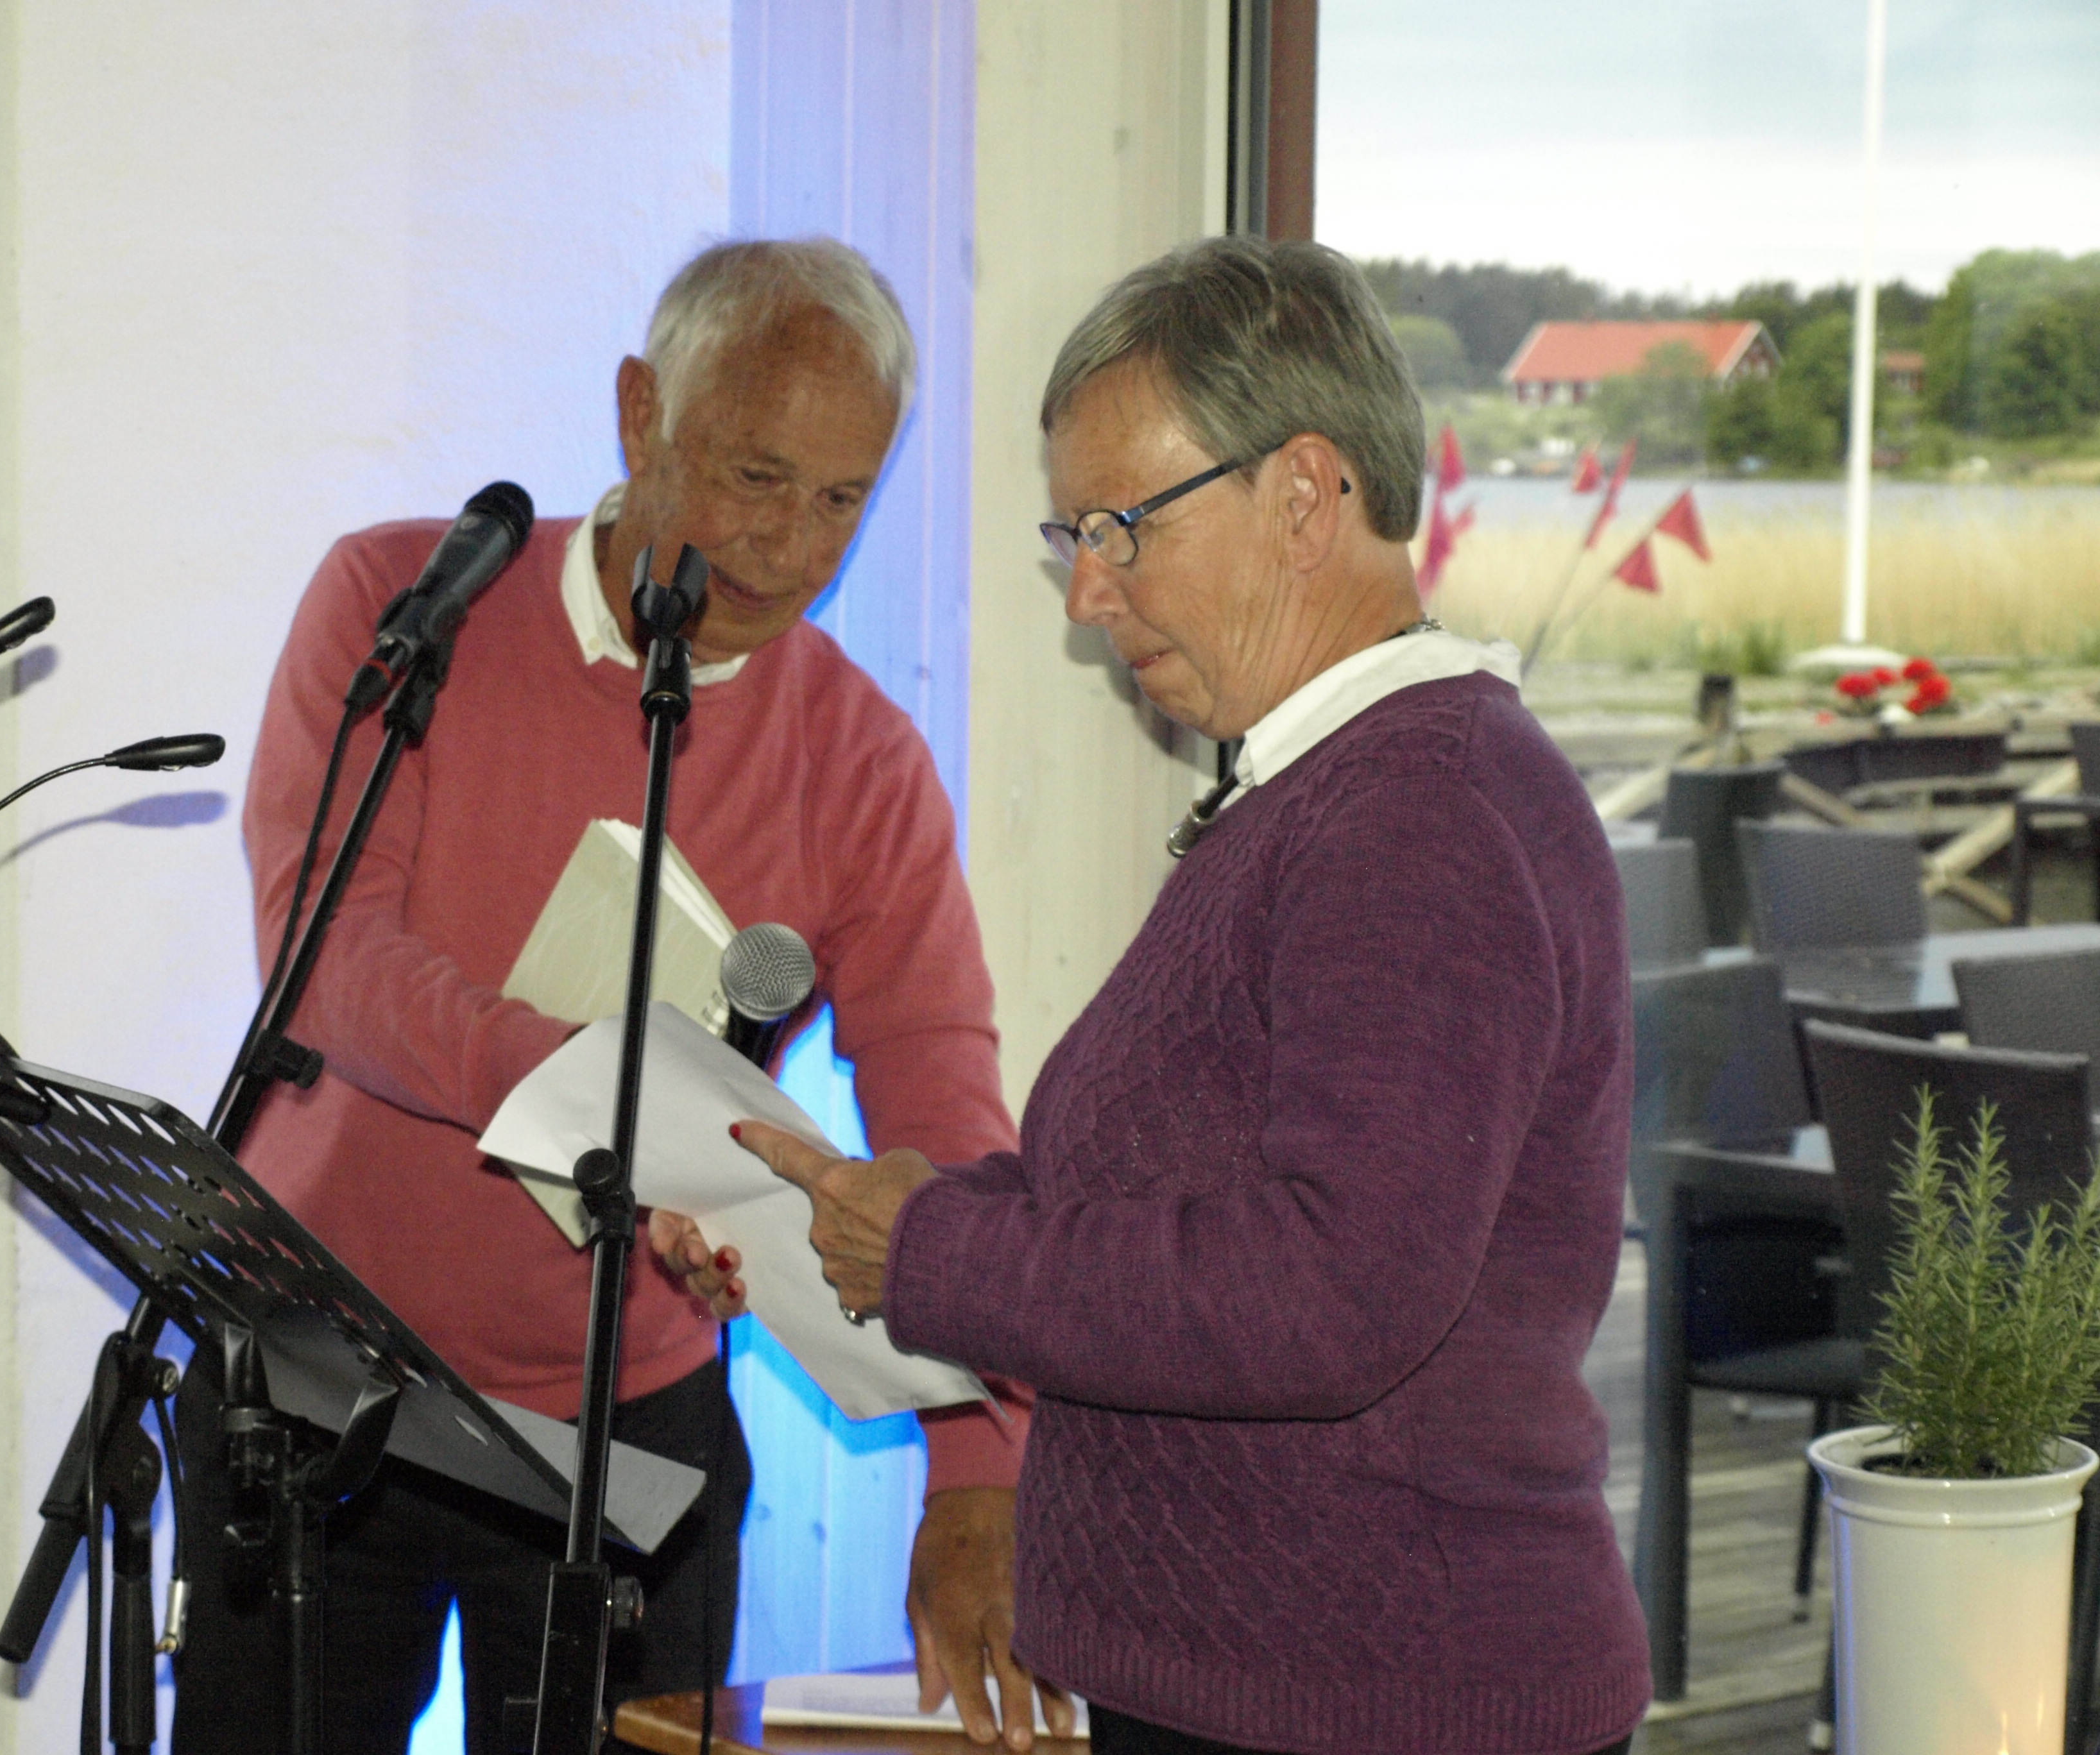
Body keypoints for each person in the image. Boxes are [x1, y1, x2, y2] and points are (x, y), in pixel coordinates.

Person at [733, 235, 1653, 1754]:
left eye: (1122, 528)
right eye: (1072, 536)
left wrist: (940, 1252)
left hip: (1383, 1705)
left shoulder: (1419, 809)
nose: (1089, 594)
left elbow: (1335, 1293)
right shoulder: (1332, 790)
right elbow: (1176, 1200)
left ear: (1305, 495)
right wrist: (854, 1222)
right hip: (1283, 1691)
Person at [171, 239, 1039, 1755]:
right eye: (757, 477)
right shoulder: (405, 605)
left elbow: (944, 1104)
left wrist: (979, 1465)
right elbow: (327, 961)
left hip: (633, 1433)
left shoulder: (862, 760)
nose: (791, 546)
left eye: (843, 500)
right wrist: (605, 1088)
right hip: (313, 1379)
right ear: (641, 413)